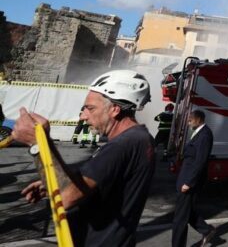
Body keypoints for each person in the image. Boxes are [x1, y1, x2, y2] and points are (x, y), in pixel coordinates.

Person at [13, 70, 155, 246]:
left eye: (90, 108)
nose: (83, 116)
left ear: (114, 109)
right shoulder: (139, 138)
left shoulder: (122, 145)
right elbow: (99, 184)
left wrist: (37, 144)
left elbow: (65, 198)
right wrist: (55, 182)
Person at [172, 109, 216, 247]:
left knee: (180, 218)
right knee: (187, 211)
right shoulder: (198, 132)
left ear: (198, 119)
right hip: (185, 178)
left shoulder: (205, 135)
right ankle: (207, 230)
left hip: (189, 182)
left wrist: (189, 183)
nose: (188, 122)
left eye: (190, 119)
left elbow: (200, 162)